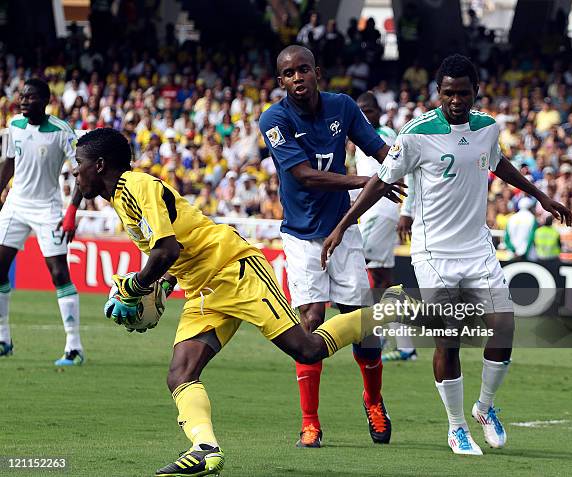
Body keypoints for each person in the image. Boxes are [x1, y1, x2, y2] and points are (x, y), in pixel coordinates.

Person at [72, 127, 415, 476]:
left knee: (307, 349)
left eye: (78, 164)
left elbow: (166, 249)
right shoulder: (121, 197)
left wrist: (135, 286)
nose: (75, 172)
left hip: (235, 269)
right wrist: (161, 285)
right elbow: (178, 244)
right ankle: (204, 449)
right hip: (204, 289)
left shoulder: (135, 186)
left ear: (99, 165)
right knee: (180, 373)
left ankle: (391, 307)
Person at [322, 54, 572, 455]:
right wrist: (341, 225)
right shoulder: (415, 134)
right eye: (448, 92)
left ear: (475, 92)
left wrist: (541, 196)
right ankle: (456, 427)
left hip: (477, 246)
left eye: (463, 92)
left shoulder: (487, 127)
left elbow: (498, 164)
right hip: (434, 252)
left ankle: (484, 408)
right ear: (438, 92)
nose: (455, 99)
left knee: (503, 328)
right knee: (450, 339)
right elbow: (379, 181)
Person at [259, 45, 404, 448]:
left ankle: (373, 401)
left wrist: (409, 163)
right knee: (310, 321)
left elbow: (379, 150)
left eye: (303, 69)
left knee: (361, 324)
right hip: (301, 236)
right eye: (288, 74)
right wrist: (367, 182)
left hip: (345, 231)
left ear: (317, 71)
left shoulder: (342, 107)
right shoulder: (274, 119)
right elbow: (304, 175)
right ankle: (310, 421)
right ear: (281, 81)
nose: (297, 78)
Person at [0, 78, 84, 365]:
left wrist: (71, 211)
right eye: (22, 96)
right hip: (16, 206)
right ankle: (3, 339)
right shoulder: (14, 126)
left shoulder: (62, 131)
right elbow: (9, 162)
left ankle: (74, 347)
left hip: (47, 208)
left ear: (46, 100)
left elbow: (81, 172)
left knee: (59, 273)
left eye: (31, 97)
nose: (23, 101)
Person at [353, 92, 416, 362]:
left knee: (352, 259)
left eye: (369, 110)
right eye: (361, 110)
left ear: (379, 111)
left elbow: (405, 168)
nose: (365, 114)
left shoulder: (384, 135)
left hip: (379, 210)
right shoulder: (360, 136)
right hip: (376, 211)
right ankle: (405, 344)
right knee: (383, 280)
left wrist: (407, 209)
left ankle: (377, 332)